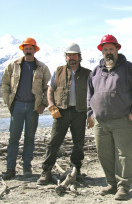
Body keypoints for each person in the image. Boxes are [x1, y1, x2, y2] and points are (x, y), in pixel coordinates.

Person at [87, 34, 132, 200]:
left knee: (123, 155)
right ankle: (111, 184)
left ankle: (124, 187)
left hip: (123, 121)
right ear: (101, 51)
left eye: (111, 49)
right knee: (104, 154)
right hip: (100, 122)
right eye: (105, 49)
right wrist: (90, 113)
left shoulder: (129, 69)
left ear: (117, 49)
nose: (108, 52)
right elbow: (89, 94)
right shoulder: (96, 71)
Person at [37, 43, 91, 185]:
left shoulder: (88, 74)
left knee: (78, 143)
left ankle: (76, 170)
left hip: (80, 112)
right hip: (61, 111)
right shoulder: (58, 71)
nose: (71, 57)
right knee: (54, 142)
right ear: (65, 57)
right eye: (69, 55)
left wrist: (91, 113)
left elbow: (93, 94)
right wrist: (51, 106)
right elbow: (50, 90)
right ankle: (46, 171)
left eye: (74, 55)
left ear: (79, 57)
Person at [1, 37, 51, 180]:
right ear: (23, 49)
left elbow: (48, 88)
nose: (28, 51)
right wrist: (7, 101)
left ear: (35, 50)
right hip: (16, 106)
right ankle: (10, 168)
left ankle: (27, 167)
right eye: (26, 48)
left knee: (29, 138)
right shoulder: (13, 65)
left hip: (33, 108)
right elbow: (4, 84)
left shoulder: (42, 67)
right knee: (13, 138)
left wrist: (43, 104)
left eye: (31, 48)